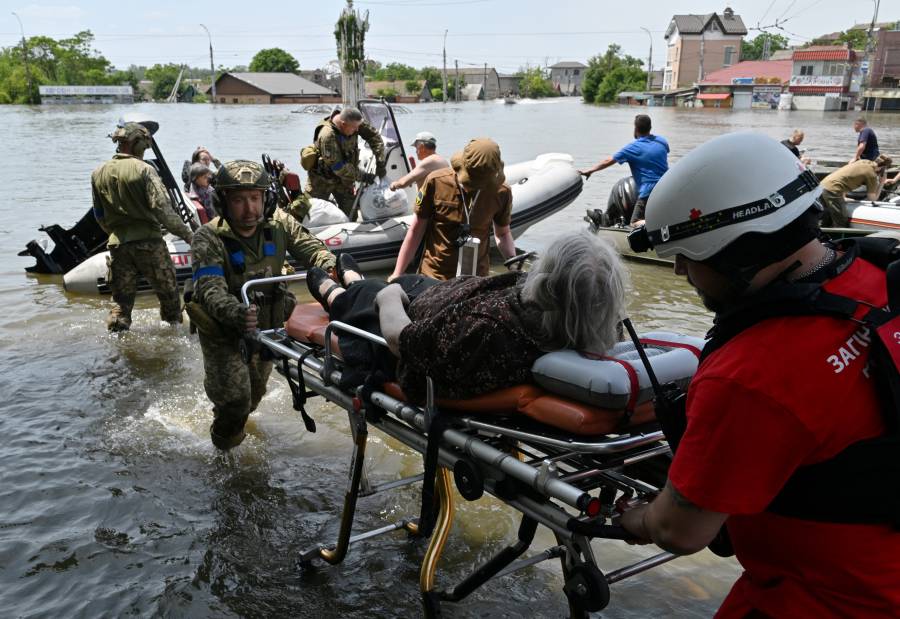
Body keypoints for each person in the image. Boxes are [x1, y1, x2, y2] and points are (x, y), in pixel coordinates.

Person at [619, 132, 900, 617]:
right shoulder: (882, 274)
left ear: (738, 251)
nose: (682, 272)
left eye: (689, 256)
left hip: (832, 596)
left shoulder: (750, 374)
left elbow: (680, 532)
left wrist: (638, 518)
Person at [306, 231, 626, 403]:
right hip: (443, 298)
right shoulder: (594, 329)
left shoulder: (488, 329)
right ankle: (354, 282)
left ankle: (339, 292)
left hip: (409, 316)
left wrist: (388, 297)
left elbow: (400, 340)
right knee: (405, 285)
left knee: (369, 296)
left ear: (545, 278)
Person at [188, 160, 336, 450]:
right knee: (234, 401)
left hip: (267, 323)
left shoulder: (280, 224)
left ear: (265, 199)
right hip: (224, 330)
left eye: (255, 198)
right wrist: (236, 313)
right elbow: (209, 289)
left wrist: (332, 268)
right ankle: (224, 451)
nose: (249, 209)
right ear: (223, 201)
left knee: (254, 395)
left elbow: (313, 250)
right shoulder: (208, 237)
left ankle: (237, 428)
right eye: (239, 200)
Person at [91, 121, 194, 332]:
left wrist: (117, 234)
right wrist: (190, 236)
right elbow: (163, 211)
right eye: (145, 146)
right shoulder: (145, 170)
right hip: (150, 245)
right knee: (170, 300)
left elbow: (99, 215)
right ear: (136, 143)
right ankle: (172, 343)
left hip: (118, 246)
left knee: (121, 305)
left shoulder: (98, 172)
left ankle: (118, 347)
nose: (145, 151)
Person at [388, 138, 516, 282]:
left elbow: (503, 233)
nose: (472, 186)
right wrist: (397, 273)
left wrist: (513, 263)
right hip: (434, 276)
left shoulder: (501, 192)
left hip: (475, 280)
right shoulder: (436, 181)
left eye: (479, 183)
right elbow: (416, 230)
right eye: (470, 180)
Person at [579, 114, 669, 224]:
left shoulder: (633, 148)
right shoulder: (662, 142)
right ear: (650, 128)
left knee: (634, 222)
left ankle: (656, 223)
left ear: (635, 129)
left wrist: (591, 170)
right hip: (667, 187)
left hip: (649, 191)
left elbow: (609, 161)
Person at [305, 107, 386, 217]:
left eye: (358, 127)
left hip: (344, 180)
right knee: (312, 213)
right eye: (354, 128)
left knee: (351, 214)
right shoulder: (327, 136)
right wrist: (365, 176)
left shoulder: (353, 121)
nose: (357, 130)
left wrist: (380, 162)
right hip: (322, 180)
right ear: (343, 124)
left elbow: (374, 136)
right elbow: (339, 167)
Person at [819, 154, 892, 227]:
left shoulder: (864, 161)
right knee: (841, 221)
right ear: (883, 167)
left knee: (826, 216)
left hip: (823, 185)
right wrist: (882, 183)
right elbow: (873, 199)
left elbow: (848, 175)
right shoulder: (871, 174)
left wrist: (843, 197)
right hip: (833, 190)